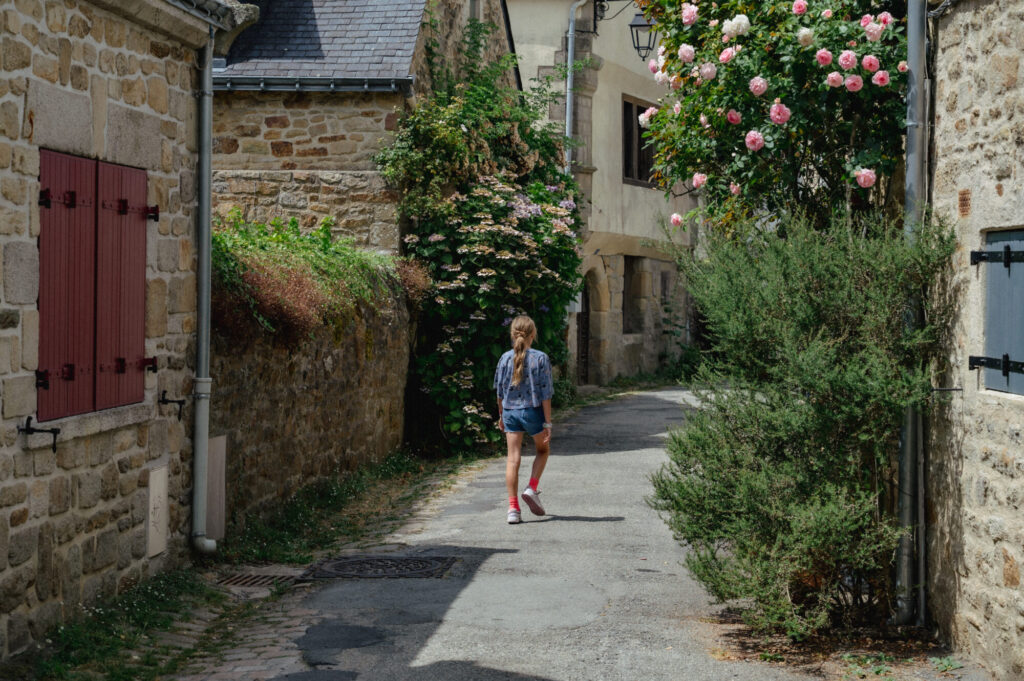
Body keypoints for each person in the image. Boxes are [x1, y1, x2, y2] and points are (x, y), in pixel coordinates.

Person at [493, 315, 554, 524]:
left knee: (512, 460)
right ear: (533, 335)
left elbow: (499, 392)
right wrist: (547, 423)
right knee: (543, 450)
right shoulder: (540, 358)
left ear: (512, 335)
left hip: (510, 412)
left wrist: (501, 415)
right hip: (532, 412)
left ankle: (513, 509)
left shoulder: (504, 358)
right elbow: (546, 394)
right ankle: (531, 488)